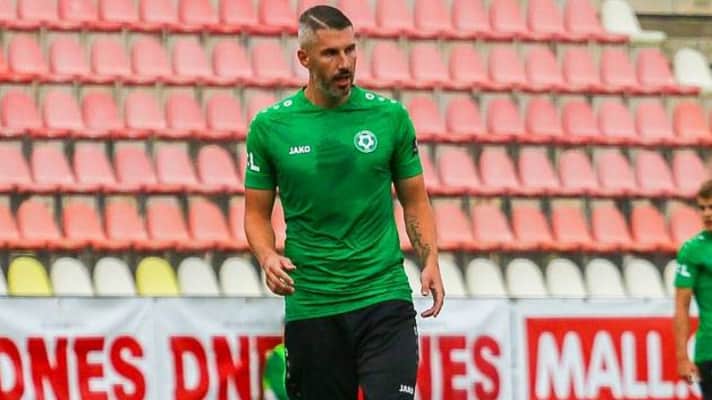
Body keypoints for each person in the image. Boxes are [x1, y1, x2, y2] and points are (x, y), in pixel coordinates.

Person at [243, 5, 444, 399]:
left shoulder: (389, 117)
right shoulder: (270, 128)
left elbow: (415, 201)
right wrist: (267, 256)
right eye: (331, 53)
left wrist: (430, 258)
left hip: (383, 296)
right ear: (304, 58)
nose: (345, 62)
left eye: (350, 50)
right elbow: (255, 214)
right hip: (313, 304)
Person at [674, 178, 712, 398]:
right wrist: (682, 357)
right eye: (702, 208)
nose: (707, 214)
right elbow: (682, 306)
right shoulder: (692, 251)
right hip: (709, 350)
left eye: (711, 207)